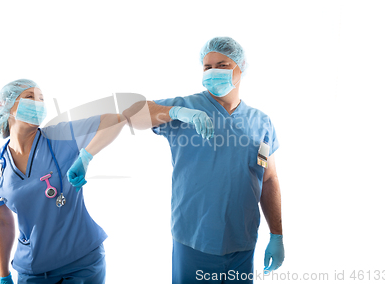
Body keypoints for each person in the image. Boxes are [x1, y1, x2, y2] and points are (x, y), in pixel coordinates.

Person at [122, 37, 284, 283]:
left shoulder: (261, 121)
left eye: (222, 65)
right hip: (194, 241)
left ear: (241, 67)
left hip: (242, 243)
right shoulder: (186, 107)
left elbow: (269, 179)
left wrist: (277, 235)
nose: (213, 72)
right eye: (207, 67)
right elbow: (131, 114)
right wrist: (176, 112)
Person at [0, 79, 126, 284]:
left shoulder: (60, 135)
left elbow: (116, 120)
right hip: (34, 270)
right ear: (5, 105)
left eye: (41, 99)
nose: (38, 104)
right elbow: (1, 222)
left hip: (84, 260)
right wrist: (4, 275)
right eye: (29, 97)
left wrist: (86, 157)